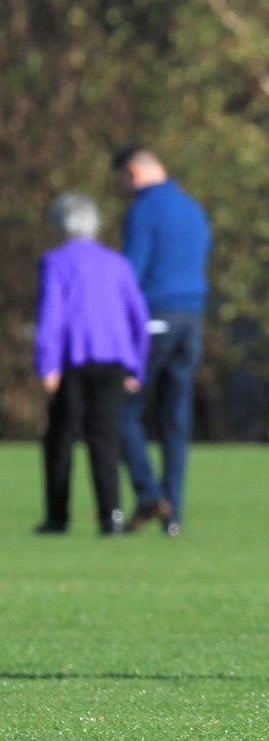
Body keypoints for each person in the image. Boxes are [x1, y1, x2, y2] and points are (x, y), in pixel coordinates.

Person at [34, 193, 150, 536]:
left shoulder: (55, 262)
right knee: (105, 438)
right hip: (114, 360)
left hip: (72, 359)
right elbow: (138, 316)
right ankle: (110, 516)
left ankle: (57, 517)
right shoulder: (117, 263)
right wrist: (137, 366)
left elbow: (50, 317)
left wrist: (46, 364)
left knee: (61, 438)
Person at [112, 146, 212, 537]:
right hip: (192, 318)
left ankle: (150, 493)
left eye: (120, 181)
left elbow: (129, 275)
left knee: (121, 409)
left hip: (155, 317)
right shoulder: (191, 206)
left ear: (133, 172)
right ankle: (174, 514)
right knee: (175, 417)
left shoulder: (144, 209)